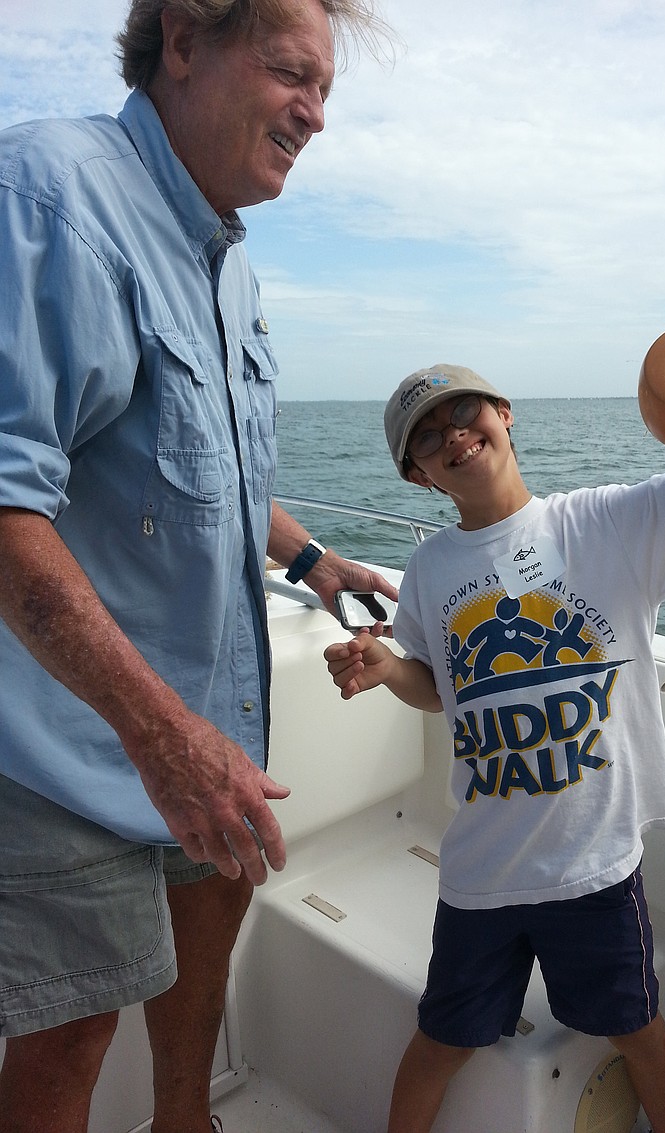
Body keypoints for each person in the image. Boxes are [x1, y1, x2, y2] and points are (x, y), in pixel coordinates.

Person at [0, 3, 395, 1132]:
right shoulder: (47, 194)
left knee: (203, 953)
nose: (315, 116)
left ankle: (188, 1121)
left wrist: (312, 557)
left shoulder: (229, 263)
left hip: (212, 725)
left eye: (326, 91)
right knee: (69, 1034)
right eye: (291, 74)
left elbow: (205, 462)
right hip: (74, 738)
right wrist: (164, 738)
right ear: (183, 42)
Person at [324, 255, 665, 1133]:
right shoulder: (428, 569)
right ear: (418, 476)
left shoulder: (606, 524)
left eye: (463, 412)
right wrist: (390, 669)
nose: (452, 436)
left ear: (503, 412)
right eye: (426, 439)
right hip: (481, 872)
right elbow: (443, 686)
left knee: (637, 1028)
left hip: (595, 865)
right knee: (439, 1038)